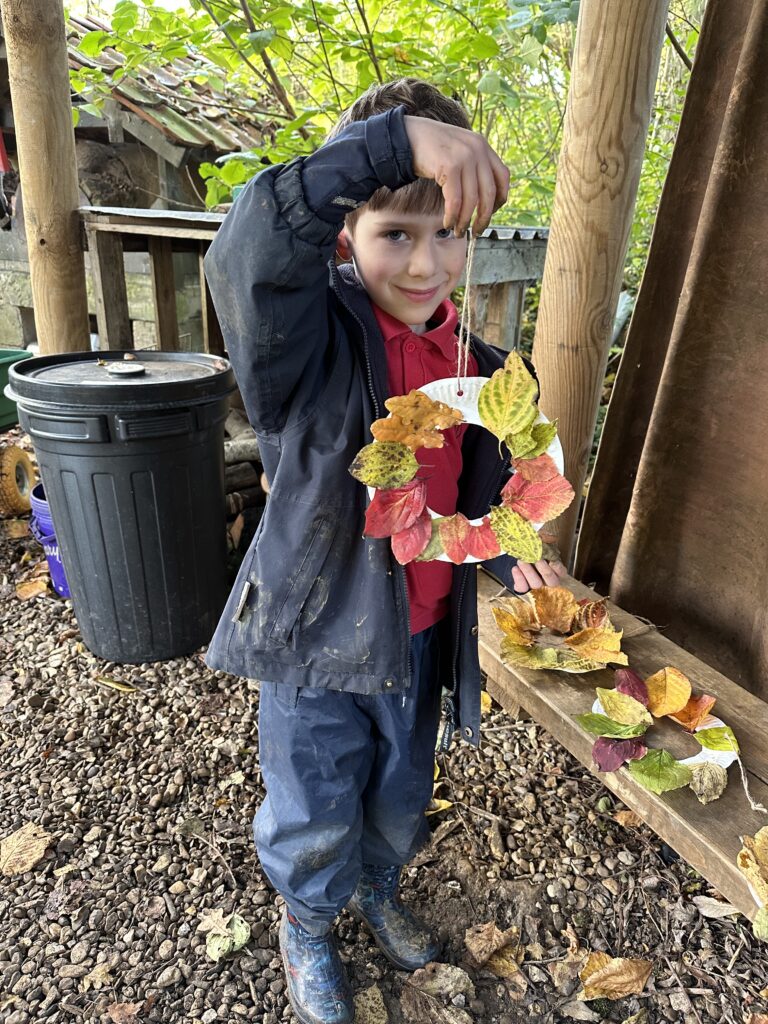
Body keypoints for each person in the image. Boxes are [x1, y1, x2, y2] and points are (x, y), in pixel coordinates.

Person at [204, 78, 566, 1024]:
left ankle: (372, 885)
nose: (424, 263)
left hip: (421, 636)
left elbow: (481, 494)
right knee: (315, 797)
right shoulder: (303, 345)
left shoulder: (483, 370)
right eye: (394, 234)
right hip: (317, 637)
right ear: (344, 235)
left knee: (401, 791)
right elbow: (247, 251)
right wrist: (395, 142)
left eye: (446, 232)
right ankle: (308, 920)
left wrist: (505, 552)